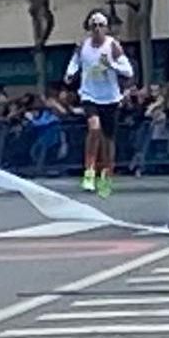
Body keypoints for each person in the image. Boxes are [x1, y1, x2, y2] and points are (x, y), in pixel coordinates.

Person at [65, 10, 135, 198]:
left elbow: (128, 71)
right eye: (93, 25)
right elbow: (75, 62)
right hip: (89, 95)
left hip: (110, 97)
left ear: (106, 28)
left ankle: (106, 178)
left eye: (100, 25)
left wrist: (112, 65)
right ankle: (89, 172)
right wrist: (70, 73)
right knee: (94, 129)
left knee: (108, 140)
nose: (97, 29)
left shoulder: (113, 46)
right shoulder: (83, 46)